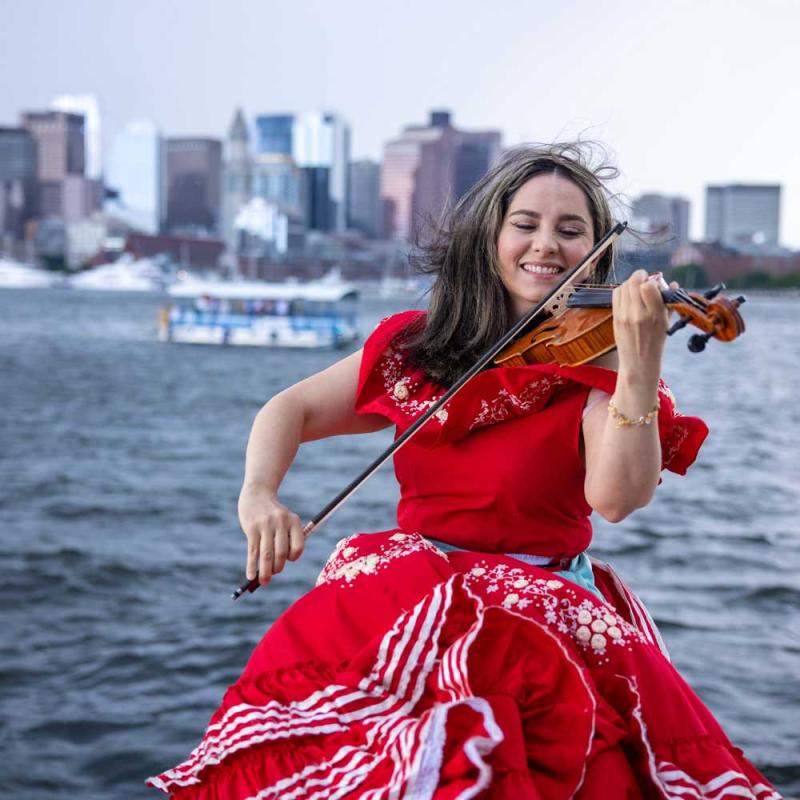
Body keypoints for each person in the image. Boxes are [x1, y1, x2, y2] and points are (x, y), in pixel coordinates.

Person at [148, 144, 780, 799]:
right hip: (417, 602)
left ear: (597, 251)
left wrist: (640, 365)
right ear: (490, 237)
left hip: (543, 617)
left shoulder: (608, 369)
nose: (546, 246)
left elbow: (616, 499)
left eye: (571, 231)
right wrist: (258, 496)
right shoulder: (416, 346)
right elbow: (292, 408)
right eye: (526, 224)